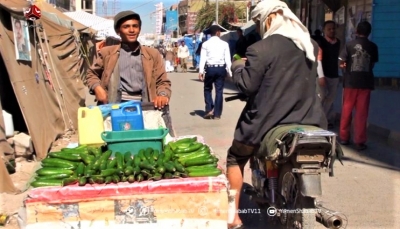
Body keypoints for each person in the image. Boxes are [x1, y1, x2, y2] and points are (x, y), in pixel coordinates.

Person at [227, 1, 326, 228]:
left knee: (235, 158)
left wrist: (238, 66)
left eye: (259, 22)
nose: (259, 27)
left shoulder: (261, 49)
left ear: (269, 19)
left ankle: (233, 216)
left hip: (267, 122)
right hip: (309, 119)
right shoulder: (309, 44)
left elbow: (246, 87)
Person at [86, 10, 171, 109]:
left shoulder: (152, 54)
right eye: (126, 27)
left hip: (145, 107)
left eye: (135, 26)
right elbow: (91, 74)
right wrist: (97, 88)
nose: (132, 30)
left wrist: (163, 94)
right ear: (118, 31)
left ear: (139, 29)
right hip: (114, 107)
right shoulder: (107, 53)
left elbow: (163, 81)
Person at [339, 21, 378, 151]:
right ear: (369, 32)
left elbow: (342, 63)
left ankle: (344, 137)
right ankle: (359, 141)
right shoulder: (373, 46)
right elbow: (372, 64)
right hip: (366, 83)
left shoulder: (349, 45)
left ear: (356, 31)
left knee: (346, 110)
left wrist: (345, 67)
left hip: (350, 82)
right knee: (362, 113)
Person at [198, 25, 232, 120]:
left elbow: (203, 59)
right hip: (221, 69)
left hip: (210, 69)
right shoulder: (225, 44)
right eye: (219, 31)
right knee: (219, 91)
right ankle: (217, 114)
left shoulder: (205, 44)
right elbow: (228, 60)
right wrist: (230, 72)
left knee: (207, 89)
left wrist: (201, 71)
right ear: (217, 32)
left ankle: (209, 109)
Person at [318, 20, 341, 128]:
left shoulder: (338, 42)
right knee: (321, 97)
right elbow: (318, 59)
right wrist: (321, 75)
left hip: (334, 74)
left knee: (330, 98)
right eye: (329, 29)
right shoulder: (321, 42)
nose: (332, 30)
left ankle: (325, 119)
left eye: (333, 28)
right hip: (323, 74)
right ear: (324, 30)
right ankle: (320, 119)